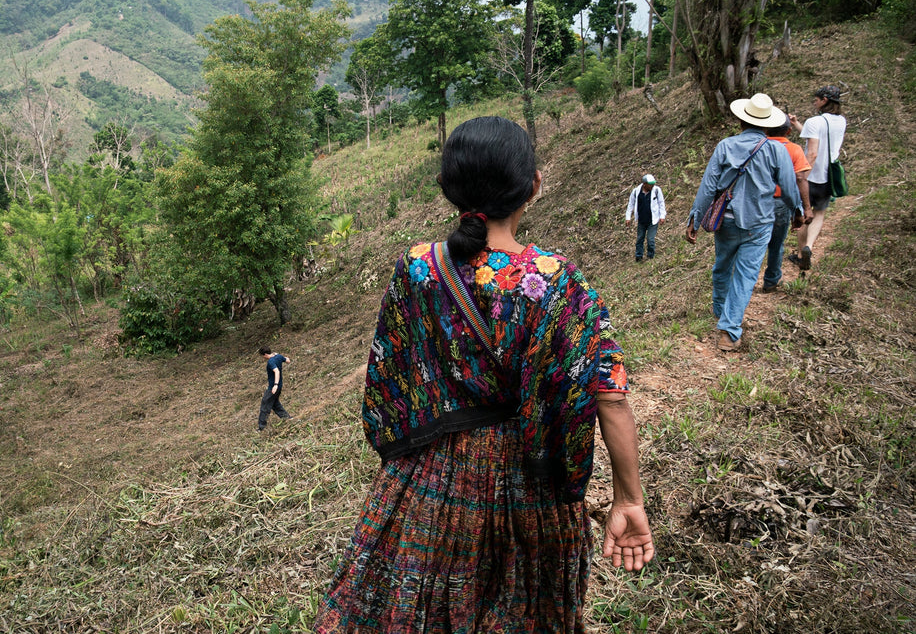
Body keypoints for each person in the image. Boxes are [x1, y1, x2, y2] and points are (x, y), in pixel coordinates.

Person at [314, 117, 653, 633]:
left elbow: (390, 370)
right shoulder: (558, 283)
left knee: (420, 604)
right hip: (529, 479)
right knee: (525, 608)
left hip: (429, 479)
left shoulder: (418, 269)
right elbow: (610, 396)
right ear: (533, 186)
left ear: (449, 190)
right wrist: (628, 499)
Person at [686, 94, 802, 351]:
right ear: (768, 125)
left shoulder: (725, 146)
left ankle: (720, 310)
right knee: (747, 274)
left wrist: (694, 218)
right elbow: (789, 186)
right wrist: (797, 210)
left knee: (722, 265)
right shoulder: (776, 150)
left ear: (741, 120)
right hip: (759, 223)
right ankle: (729, 329)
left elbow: (708, 187)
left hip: (725, 220)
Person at [789, 85, 846, 271]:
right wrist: (797, 124)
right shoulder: (841, 121)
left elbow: (812, 152)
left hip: (811, 176)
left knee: (805, 212)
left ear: (825, 100)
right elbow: (815, 136)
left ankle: (799, 255)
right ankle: (809, 247)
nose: (814, 101)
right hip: (828, 176)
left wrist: (803, 175)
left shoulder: (815, 121)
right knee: (819, 213)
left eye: (817, 98)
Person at [762, 115, 813, 292]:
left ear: (766, 129)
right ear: (789, 131)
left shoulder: (759, 146)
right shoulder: (794, 149)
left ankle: (746, 279)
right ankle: (771, 280)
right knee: (776, 244)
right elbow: (800, 177)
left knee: (755, 242)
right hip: (781, 202)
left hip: (756, 201)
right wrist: (805, 208)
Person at [625, 173, 667, 261]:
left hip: (653, 220)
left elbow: (661, 203)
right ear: (644, 184)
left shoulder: (656, 190)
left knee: (650, 239)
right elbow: (631, 204)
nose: (652, 185)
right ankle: (638, 256)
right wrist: (628, 217)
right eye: (650, 184)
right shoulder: (636, 191)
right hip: (641, 220)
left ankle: (650, 256)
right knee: (640, 238)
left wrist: (662, 216)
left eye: (653, 184)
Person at [257, 347, 292, 431]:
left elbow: (276, 371)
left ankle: (261, 427)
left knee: (265, 405)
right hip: (279, 386)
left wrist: (275, 385)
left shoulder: (271, 362)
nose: (263, 358)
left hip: (273, 387)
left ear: (265, 354)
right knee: (275, 404)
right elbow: (288, 360)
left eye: (263, 356)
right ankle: (287, 418)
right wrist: (279, 355)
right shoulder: (278, 356)